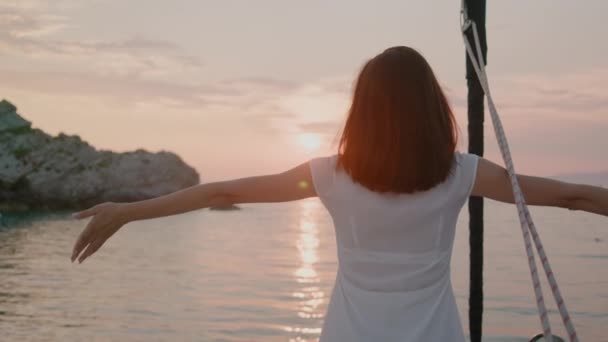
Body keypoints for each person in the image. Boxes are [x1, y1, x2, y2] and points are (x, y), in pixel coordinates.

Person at [70, 46, 608, 341]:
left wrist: (127, 212)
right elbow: (570, 197)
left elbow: (221, 192)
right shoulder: (462, 174)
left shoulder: (329, 175)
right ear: (430, 110)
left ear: (363, 112)